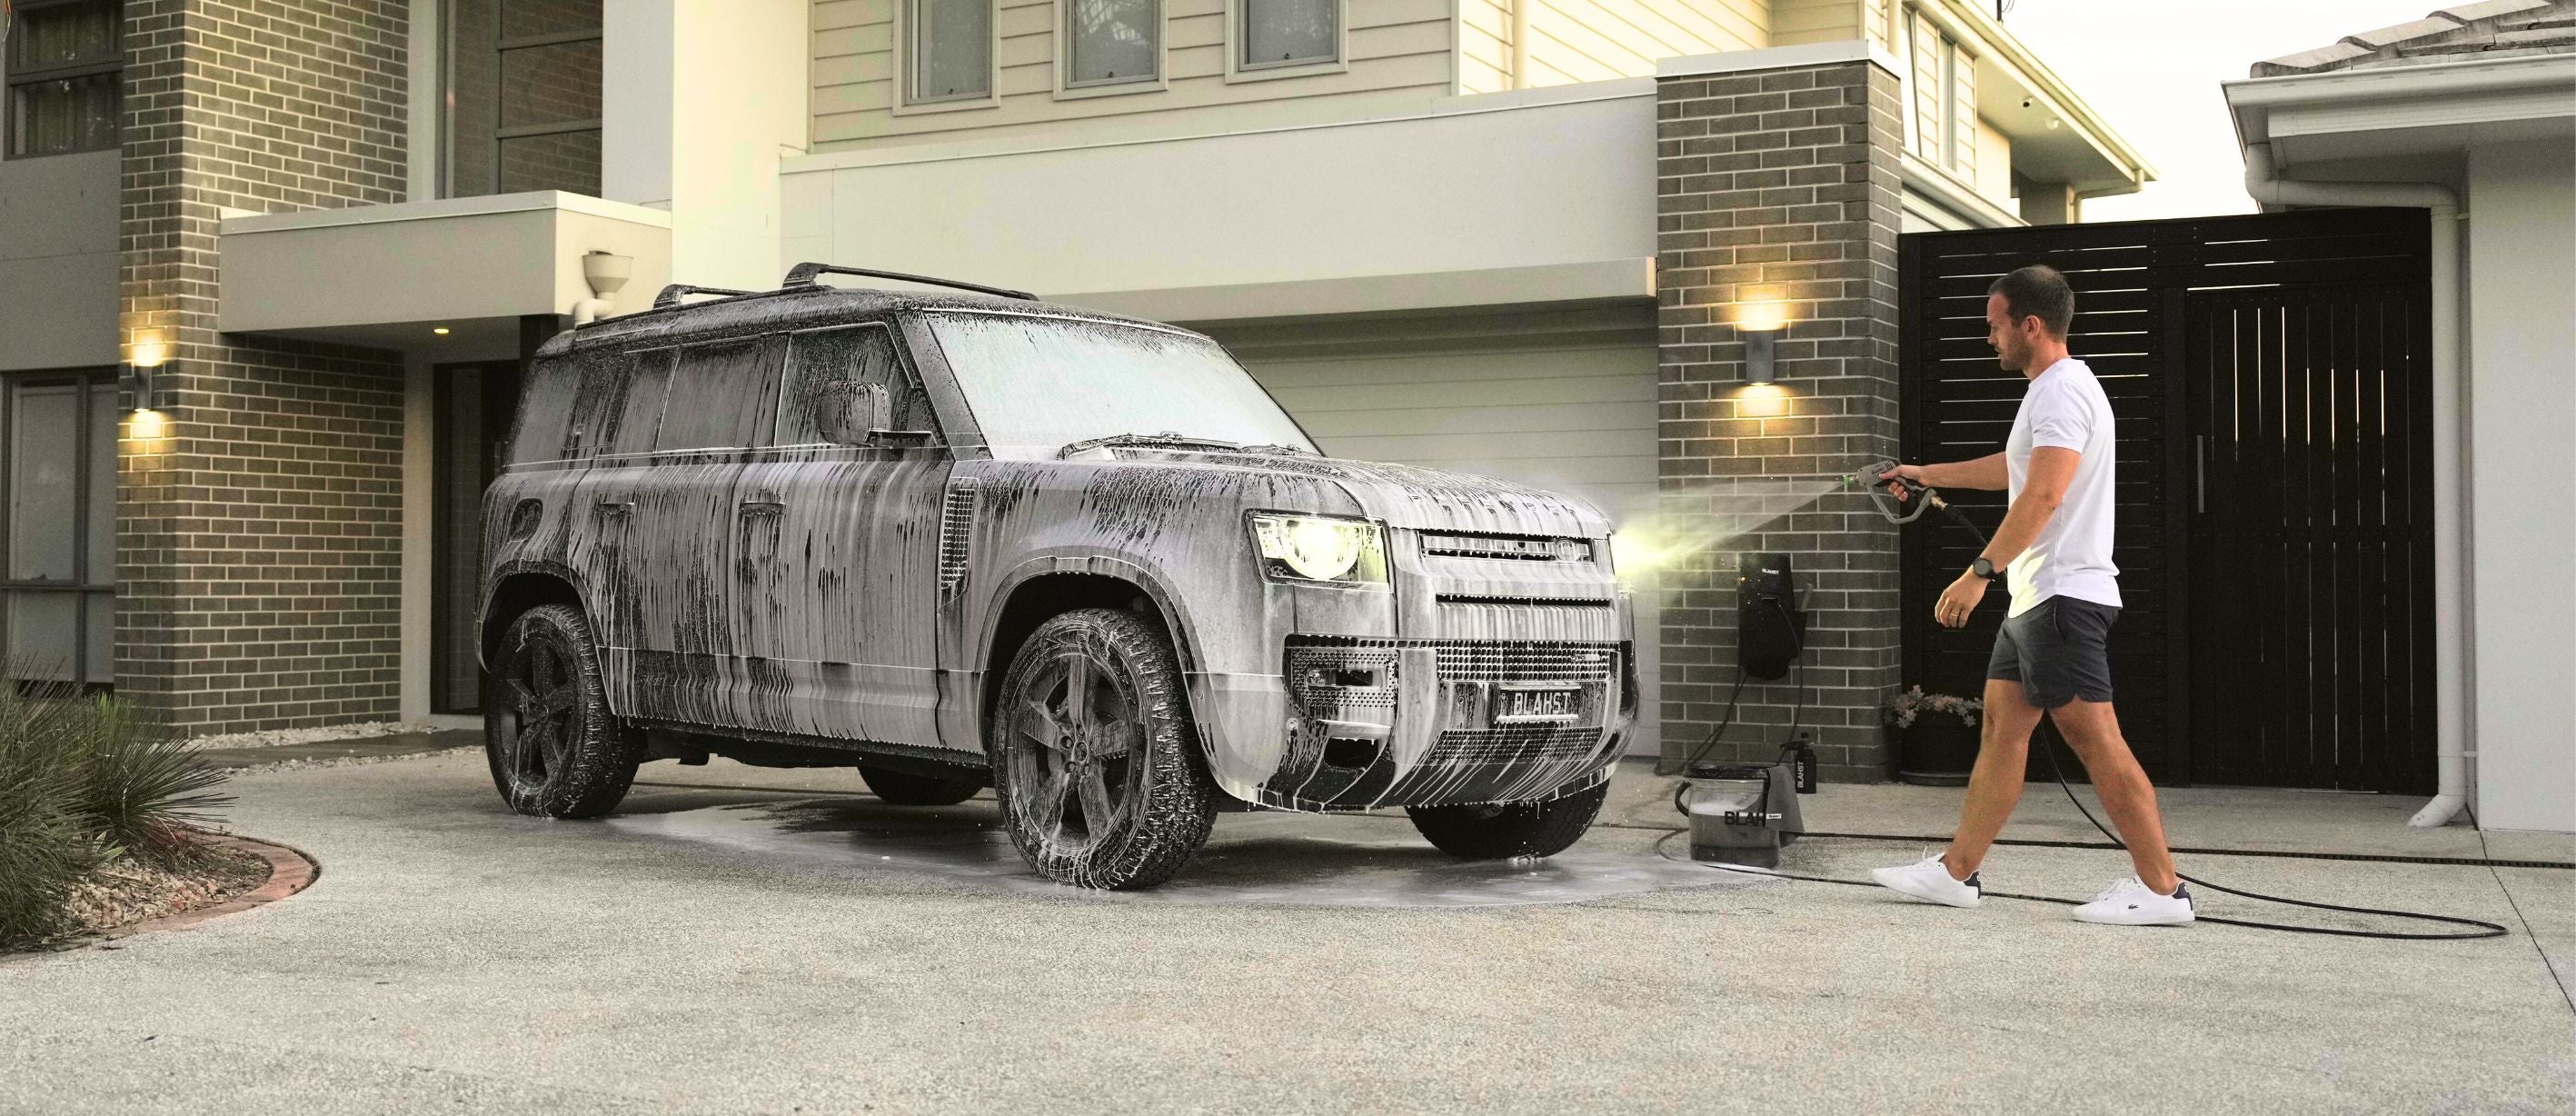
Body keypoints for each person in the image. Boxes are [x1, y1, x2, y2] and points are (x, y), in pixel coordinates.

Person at [1869, 264, 2192, 927]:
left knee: (2096, 739)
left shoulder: (2061, 391)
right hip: (2036, 598)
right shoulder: (2048, 393)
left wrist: (1977, 573)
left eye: (1994, 327)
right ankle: (1956, 873)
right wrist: (1923, 472)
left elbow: (2043, 494)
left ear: (2030, 325)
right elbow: (2015, 471)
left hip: (2061, 597)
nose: (1989, 339)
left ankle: (2161, 889)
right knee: (2000, 728)